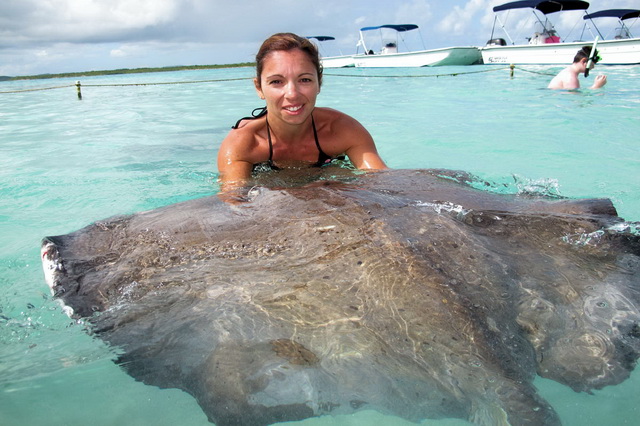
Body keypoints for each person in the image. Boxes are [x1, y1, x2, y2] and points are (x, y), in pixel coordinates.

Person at [217, 32, 387, 194]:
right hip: (269, 186)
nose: (292, 94)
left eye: (304, 80)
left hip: (327, 180)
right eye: (277, 81)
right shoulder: (242, 145)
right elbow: (234, 202)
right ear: (259, 88)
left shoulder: (343, 130)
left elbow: (384, 183)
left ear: (319, 83)